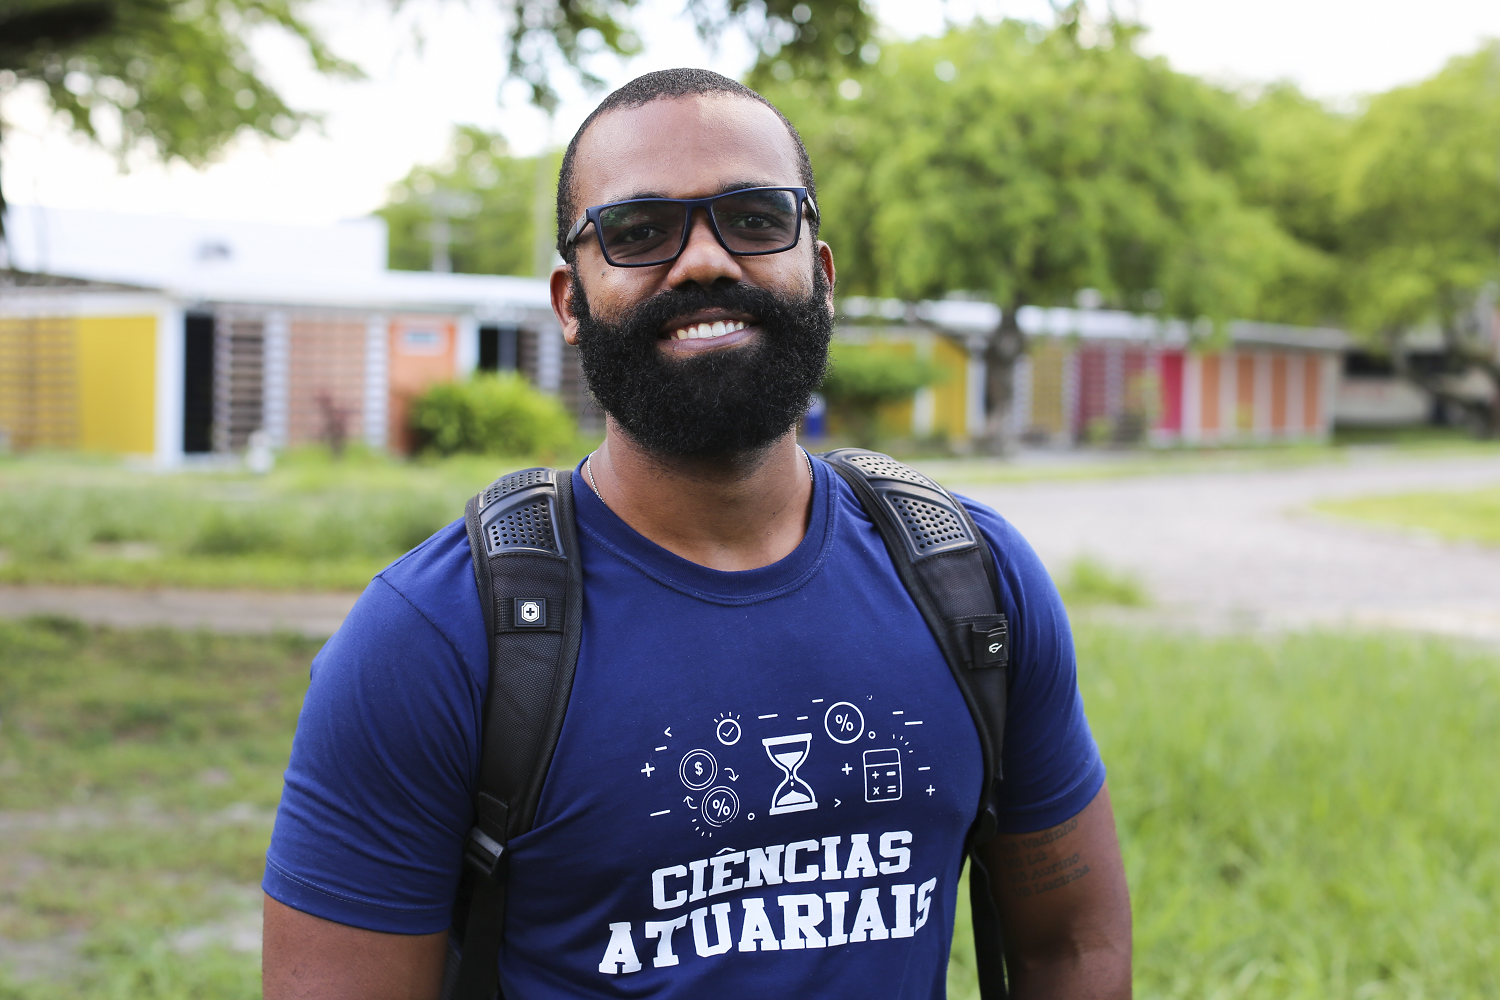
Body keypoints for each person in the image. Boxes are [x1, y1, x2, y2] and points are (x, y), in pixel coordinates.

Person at [261, 68, 1132, 999]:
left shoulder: (972, 584)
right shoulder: (433, 639)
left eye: (756, 218)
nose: (706, 261)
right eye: (638, 233)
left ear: (821, 274)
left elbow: (1070, 948)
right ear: (569, 299)